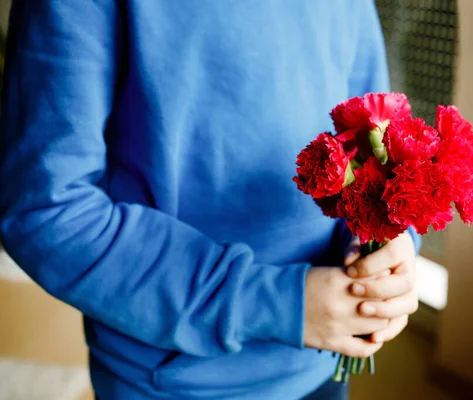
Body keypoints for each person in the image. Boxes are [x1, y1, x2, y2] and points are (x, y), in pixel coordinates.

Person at [0, 1, 420, 399]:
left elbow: (370, 130)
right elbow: (47, 209)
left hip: (326, 357)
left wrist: (387, 243)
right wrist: (275, 302)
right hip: (178, 380)